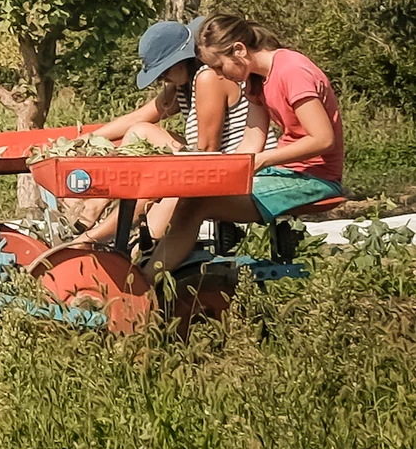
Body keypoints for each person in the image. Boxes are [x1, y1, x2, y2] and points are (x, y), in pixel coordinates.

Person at [141, 14, 346, 288]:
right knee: (193, 194)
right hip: (282, 171)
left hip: (315, 178)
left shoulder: (292, 72)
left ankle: (141, 286)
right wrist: (222, 172)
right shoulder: (257, 79)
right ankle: (147, 279)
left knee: (195, 204)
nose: (217, 75)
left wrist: (262, 160)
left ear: (239, 50)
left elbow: (322, 139)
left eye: (218, 66)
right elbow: (253, 137)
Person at [62, 18, 250, 247]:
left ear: (183, 60)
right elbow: (140, 115)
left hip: (223, 166)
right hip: (202, 160)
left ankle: (92, 227)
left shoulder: (208, 77)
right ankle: (101, 234)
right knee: (140, 143)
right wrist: (86, 139)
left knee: (142, 143)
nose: (162, 78)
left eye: (164, 71)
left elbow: (207, 150)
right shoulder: (184, 84)